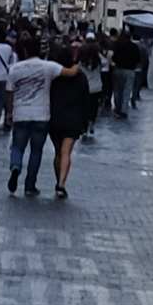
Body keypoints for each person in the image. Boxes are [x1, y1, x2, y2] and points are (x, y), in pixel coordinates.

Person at [3, 39, 58, 196]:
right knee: (36, 151)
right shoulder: (48, 67)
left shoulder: (14, 68)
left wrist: (9, 113)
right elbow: (67, 72)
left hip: (21, 114)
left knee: (17, 146)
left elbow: (9, 92)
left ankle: (15, 166)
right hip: (41, 115)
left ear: (25, 51)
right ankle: (30, 185)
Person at [45, 51, 98, 199]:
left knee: (58, 152)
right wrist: (86, 120)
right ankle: (61, 183)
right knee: (66, 152)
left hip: (55, 117)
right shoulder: (80, 77)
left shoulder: (54, 77)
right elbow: (85, 100)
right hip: (73, 119)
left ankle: (58, 180)